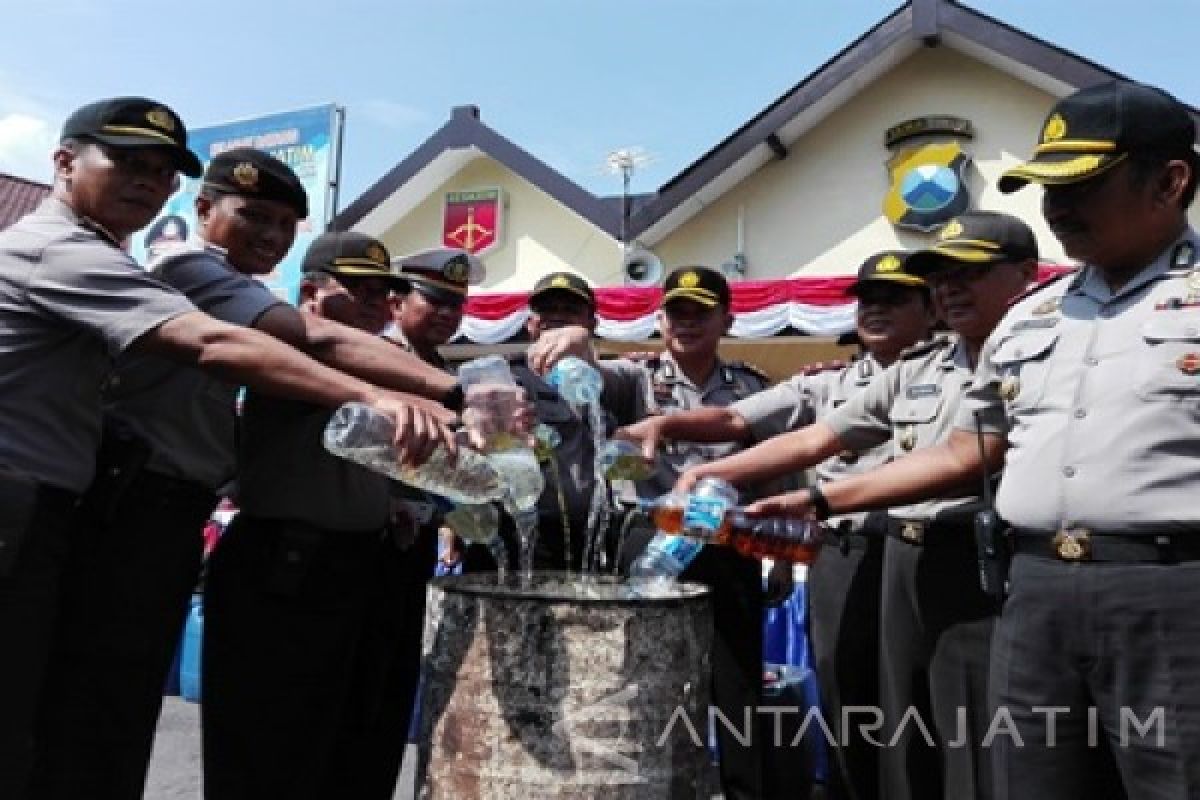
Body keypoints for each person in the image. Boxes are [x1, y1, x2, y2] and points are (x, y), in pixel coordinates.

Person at [753, 80, 1200, 800]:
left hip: (1171, 595)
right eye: (1047, 189)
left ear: (1170, 182)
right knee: (1029, 781)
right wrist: (819, 499)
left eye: (1081, 185)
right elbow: (969, 452)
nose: (1057, 208)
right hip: (1036, 592)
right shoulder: (1031, 320)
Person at [0, 98, 453, 800]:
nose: (146, 183)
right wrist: (404, 394)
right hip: (100, 504)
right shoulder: (178, 267)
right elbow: (258, 342)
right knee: (88, 710)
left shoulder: (130, 261)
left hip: (129, 506)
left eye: (159, 172)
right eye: (126, 163)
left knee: (97, 708)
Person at [684, 213, 1039, 800]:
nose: (951, 287)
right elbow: (813, 439)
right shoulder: (918, 370)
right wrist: (712, 469)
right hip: (904, 558)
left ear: (1024, 276)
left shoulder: (1035, 354)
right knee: (890, 728)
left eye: (968, 272)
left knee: (974, 734)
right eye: (941, 275)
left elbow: (956, 460)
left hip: (983, 564)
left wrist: (817, 499)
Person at [617, 251, 935, 800]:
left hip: (919, 549)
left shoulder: (959, 370)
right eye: (867, 300)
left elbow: (773, 458)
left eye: (895, 299)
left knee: (922, 696)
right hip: (809, 548)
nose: (876, 310)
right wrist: (663, 421)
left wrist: (780, 552)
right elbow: (740, 424)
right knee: (843, 693)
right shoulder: (821, 386)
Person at [202, 235, 450, 799]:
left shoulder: (382, 368)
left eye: (383, 291)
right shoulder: (293, 353)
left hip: (357, 565)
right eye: (357, 288)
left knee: (347, 741)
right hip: (288, 563)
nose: (374, 301)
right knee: (273, 749)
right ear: (310, 291)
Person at [540, 266, 772, 800]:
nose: (686, 322)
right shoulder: (635, 378)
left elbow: (772, 472)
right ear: (660, 320)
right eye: (676, 312)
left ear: (727, 319)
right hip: (651, 551)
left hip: (729, 546)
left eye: (701, 312)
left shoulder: (752, 386)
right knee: (647, 684)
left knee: (737, 688)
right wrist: (577, 338)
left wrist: (777, 559)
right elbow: (587, 374)